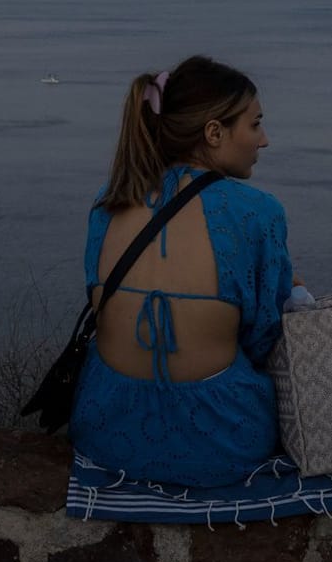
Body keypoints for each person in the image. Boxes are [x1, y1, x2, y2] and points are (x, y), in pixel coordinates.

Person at [70, 55, 297, 487]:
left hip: (105, 430)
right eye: (254, 124)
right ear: (214, 133)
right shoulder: (257, 213)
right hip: (222, 442)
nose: (264, 140)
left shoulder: (109, 201)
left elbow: (96, 298)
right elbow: (264, 335)